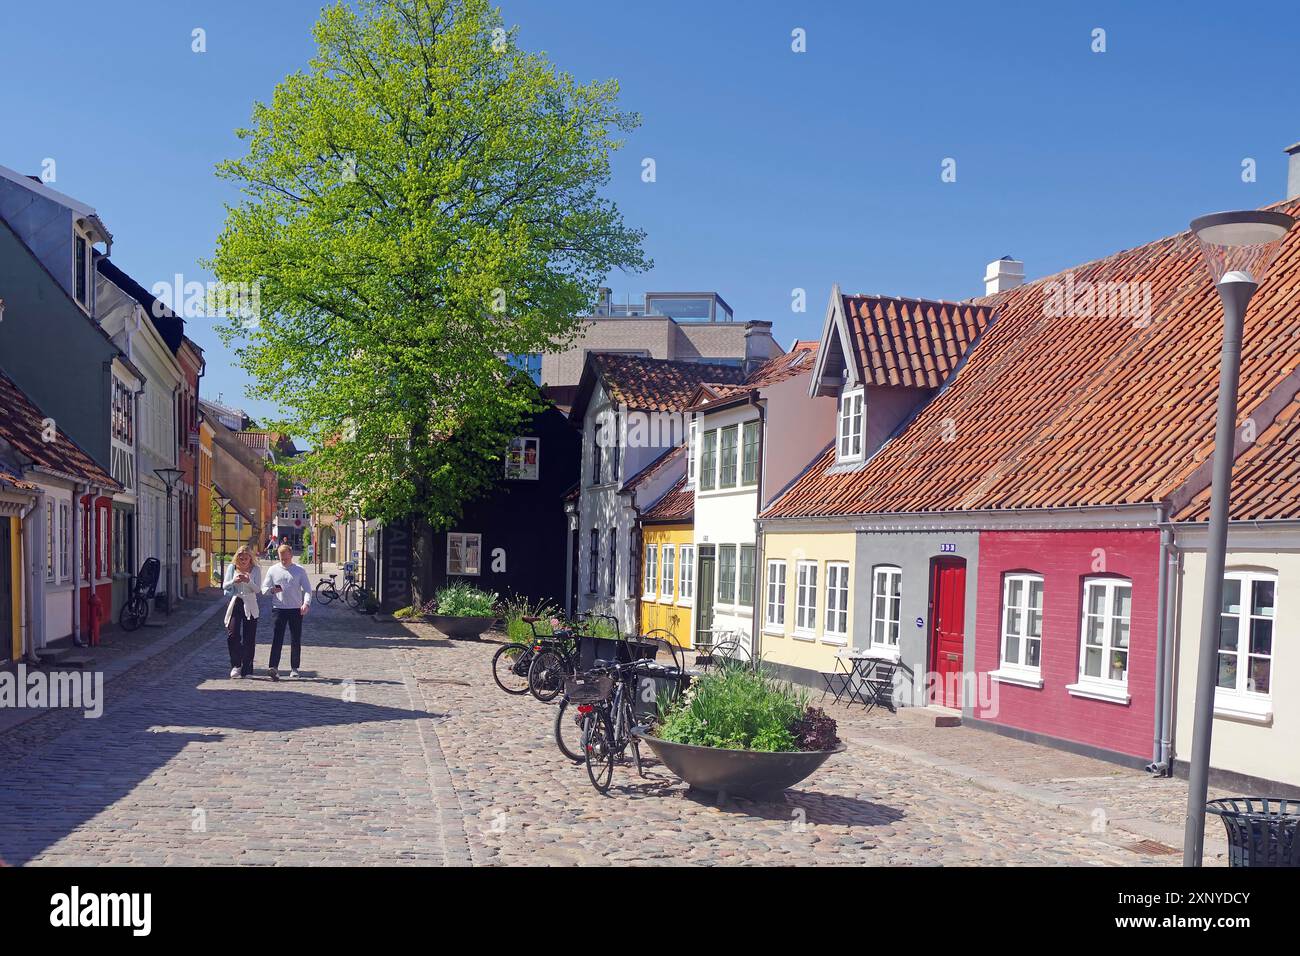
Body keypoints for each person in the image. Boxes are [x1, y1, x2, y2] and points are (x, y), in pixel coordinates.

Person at [261, 543, 312, 680]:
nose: (284, 561)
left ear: (291, 556)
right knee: (277, 638)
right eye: (281, 558)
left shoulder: (299, 571)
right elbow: (264, 589)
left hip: (296, 609)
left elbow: (307, 589)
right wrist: (272, 590)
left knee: (295, 639)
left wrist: (306, 603)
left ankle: (294, 668)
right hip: (279, 609)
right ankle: (273, 667)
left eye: (286, 558)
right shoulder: (273, 570)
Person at [222, 546, 261, 679]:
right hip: (236, 602)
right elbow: (224, 586)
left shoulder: (255, 570)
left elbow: (257, 589)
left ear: (251, 558)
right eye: (241, 558)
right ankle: (236, 665)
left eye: (246, 558)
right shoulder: (232, 568)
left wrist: (248, 581)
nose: (243, 561)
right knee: (232, 635)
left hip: (250, 603)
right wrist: (234, 580)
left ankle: (247, 668)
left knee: (249, 637)